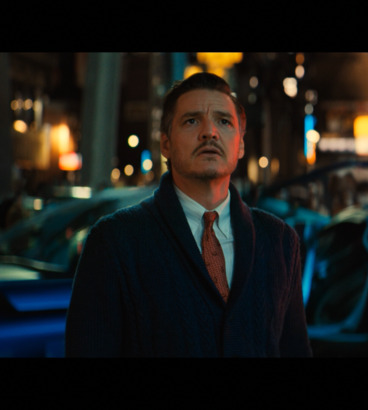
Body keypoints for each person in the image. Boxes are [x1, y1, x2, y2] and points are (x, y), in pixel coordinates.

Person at [65, 72, 312, 357]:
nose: (210, 132)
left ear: (240, 144)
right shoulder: (114, 241)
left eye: (224, 121)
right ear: (166, 144)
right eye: (192, 121)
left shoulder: (280, 241)